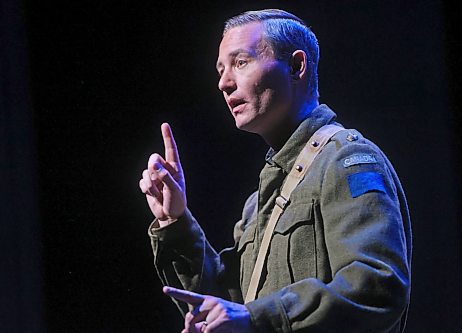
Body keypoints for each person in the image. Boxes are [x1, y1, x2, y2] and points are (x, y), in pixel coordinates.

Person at [139, 9, 412, 333]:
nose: (224, 83)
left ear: (296, 66)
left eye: (240, 62)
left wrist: (257, 319)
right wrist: (175, 221)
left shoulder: (346, 159)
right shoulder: (259, 202)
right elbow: (232, 306)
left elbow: (377, 286)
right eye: (221, 69)